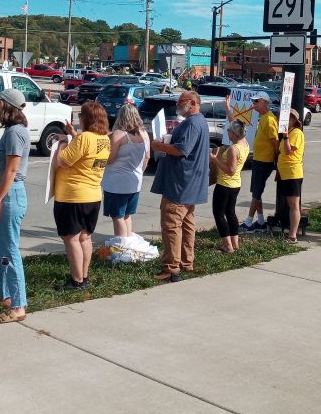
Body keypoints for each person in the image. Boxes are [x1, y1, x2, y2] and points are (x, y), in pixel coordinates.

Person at [151, 91, 210, 282]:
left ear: (192, 103)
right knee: (186, 224)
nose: (177, 104)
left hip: (180, 184)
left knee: (171, 224)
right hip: (189, 184)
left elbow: (181, 150)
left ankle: (171, 267)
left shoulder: (193, 123)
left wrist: (159, 146)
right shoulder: (198, 121)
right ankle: (186, 262)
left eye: (180, 102)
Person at [53, 101, 111, 290]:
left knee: (71, 239)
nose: (79, 119)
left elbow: (63, 160)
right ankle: (84, 277)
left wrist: (62, 141)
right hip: (93, 195)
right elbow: (86, 151)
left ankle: (76, 280)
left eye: (81, 116)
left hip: (73, 196)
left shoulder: (84, 138)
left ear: (87, 119)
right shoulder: (104, 139)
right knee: (85, 238)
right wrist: (74, 135)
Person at [0, 88, 31, 324]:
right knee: (2, 250)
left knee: (11, 250)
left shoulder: (15, 132)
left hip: (10, 195)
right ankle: (7, 295)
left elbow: (12, 170)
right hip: (5, 194)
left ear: (7, 106)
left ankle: (18, 304)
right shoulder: (13, 131)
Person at [101, 103, 150, 239]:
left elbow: (110, 159)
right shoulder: (144, 134)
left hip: (116, 182)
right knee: (127, 215)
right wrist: (139, 171)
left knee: (117, 216)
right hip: (135, 180)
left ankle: (122, 246)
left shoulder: (118, 134)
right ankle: (129, 242)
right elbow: (147, 157)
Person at [238, 93, 278, 233]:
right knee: (257, 191)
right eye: (253, 101)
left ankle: (248, 222)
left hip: (264, 161)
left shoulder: (269, 119)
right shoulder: (264, 118)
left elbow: (275, 142)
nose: (254, 104)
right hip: (259, 159)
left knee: (256, 192)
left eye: (256, 101)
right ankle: (260, 221)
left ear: (265, 102)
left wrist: (276, 159)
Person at [210, 119, 249, 253]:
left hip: (225, 184)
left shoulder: (233, 149)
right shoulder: (245, 144)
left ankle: (227, 245)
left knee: (219, 214)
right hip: (235, 185)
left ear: (235, 133)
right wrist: (228, 110)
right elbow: (237, 123)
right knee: (230, 212)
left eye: (229, 131)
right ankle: (234, 243)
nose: (227, 132)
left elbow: (230, 170)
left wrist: (215, 160)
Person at [277, 108, 306, 242]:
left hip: (293, 172)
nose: (284, 121)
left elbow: (288, 151)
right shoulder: (287, 133)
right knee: (289, 204)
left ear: (293, 120)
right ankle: (290, 231)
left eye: (288, 118)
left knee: (294, 204)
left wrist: (286, 136)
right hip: (285, 173)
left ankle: (293, 235)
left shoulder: (296, 133)